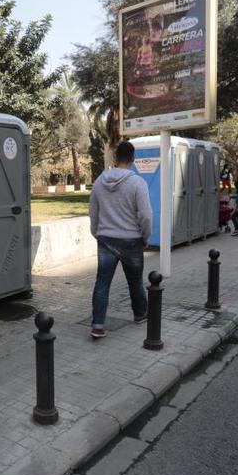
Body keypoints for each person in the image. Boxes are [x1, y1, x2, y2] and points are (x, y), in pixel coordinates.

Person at [88, 141, 152, 339]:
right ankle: (140, 314)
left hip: (106, 240)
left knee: (102, 283)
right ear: (133, 159)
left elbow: (93, 212)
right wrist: (145, 236)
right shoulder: (138, 183)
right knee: (135, 282)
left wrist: (96, 233)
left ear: (115, 158)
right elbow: (146, 215)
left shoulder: (99, 182)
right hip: (132, 240)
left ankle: (98, 325)